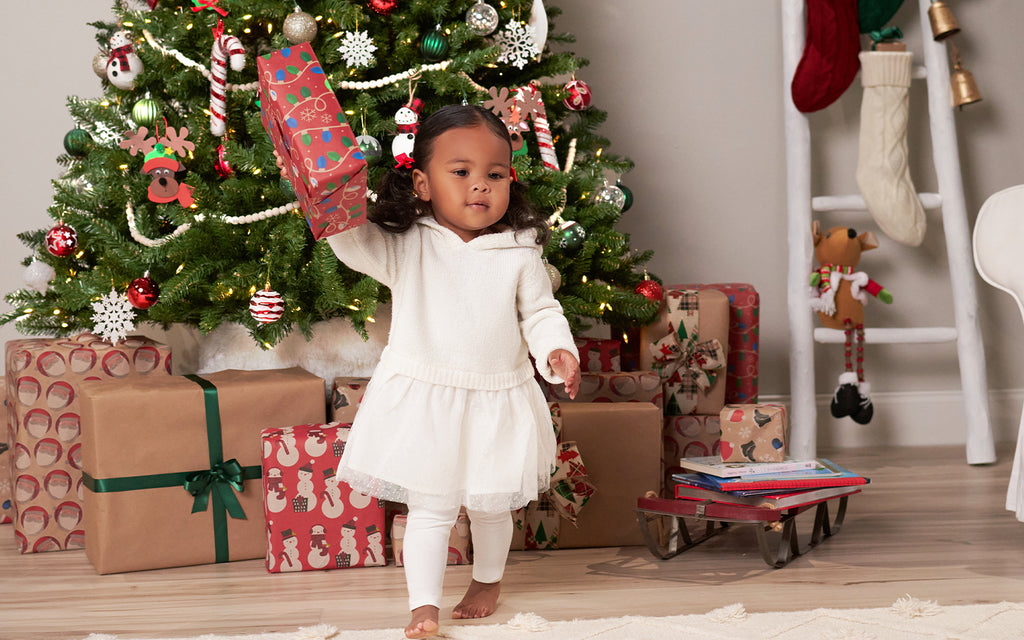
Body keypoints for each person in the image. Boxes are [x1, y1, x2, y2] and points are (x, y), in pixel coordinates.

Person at [325, 104, 581, 639]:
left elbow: (539, 313)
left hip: (497, 397)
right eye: (460, 173)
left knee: (490, 506)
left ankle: (487, 580)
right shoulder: (407, 245)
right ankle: (423, 607)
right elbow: (350, 242)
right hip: (428, 398)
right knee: (431, 507)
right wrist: (326, 199)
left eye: (494, 175)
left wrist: (556, 351)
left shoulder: (518, 252)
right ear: (422, 182)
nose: (480, 187)